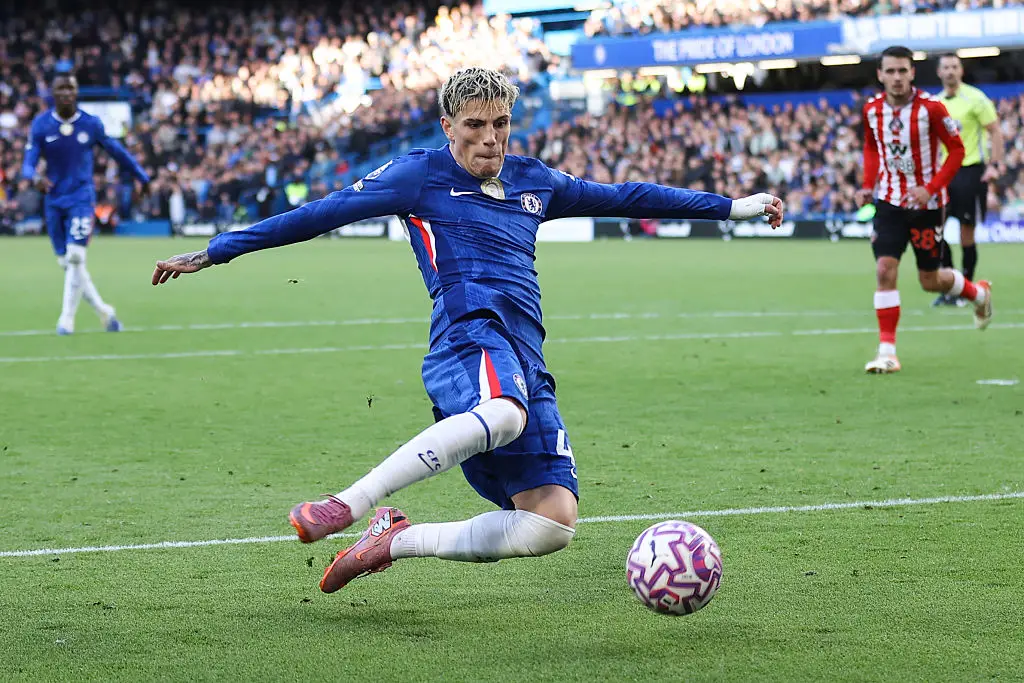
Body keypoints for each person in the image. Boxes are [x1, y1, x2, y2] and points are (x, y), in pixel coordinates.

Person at [151, 67, 784, 595]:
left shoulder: (535, 181)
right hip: (466, 333)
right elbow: (321, 213)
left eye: (500, 124)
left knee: (551, 523)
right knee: (504, 413)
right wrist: (216, 250)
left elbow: (628, 196)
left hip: (525, 351)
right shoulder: (418, 176)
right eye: (475, 125)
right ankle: (347, 503)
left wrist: (733, 207)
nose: (490, 138)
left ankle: (394, 541)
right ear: (448, 126)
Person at [855, 46, 992, 375]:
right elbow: (872, 147)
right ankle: (887, 353)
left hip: (927, 206)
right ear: (880, 75)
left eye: (902, 70)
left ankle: (978, 294)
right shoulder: (872, 110)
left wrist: (930, 188)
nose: (897, 77)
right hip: (889, 202)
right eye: (890, 71)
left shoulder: (931, 108)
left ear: (912, 73)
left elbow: (957, 151)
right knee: (884, 271)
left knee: (930, 280)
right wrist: (868, 184)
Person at [21, 73, 151, 335]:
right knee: (67, 263)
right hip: (54, 200)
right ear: (53, 94)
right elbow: (28, 163)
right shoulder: (41, 125)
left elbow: (117, 152)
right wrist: (33, 177)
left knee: (76, 256)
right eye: (61, 89)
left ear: (77, 92)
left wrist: (141, 176)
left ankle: (66, 320)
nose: (66, 93)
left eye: (70, 88)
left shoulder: (90, 124)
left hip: (81, 197)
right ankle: (104, 311)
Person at [932, 53, 1005, 307]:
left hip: (970, 171)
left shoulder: (976, 98)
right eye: (946, 67)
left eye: (954, 66)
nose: (950, 71)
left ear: (961, 71)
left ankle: (966, 290)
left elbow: (995, 130)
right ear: (939, 72)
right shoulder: (935, 103)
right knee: (934, 231)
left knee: (966, 234)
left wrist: (994, 165)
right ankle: (951, 286)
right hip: (944, 174)